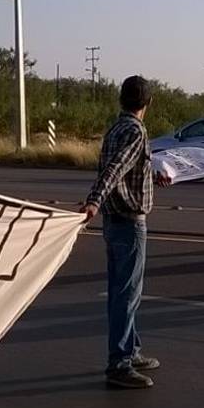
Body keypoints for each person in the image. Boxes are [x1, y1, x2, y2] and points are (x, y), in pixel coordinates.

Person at [82, 76, 171, 388]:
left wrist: (152, 175)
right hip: (128, 223)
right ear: (148, 103)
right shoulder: (136, 130)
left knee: (123, 293)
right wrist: (93, 201)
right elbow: (114, 170)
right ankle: (119, 363)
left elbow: (126, 169)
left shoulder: (117, 128)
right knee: (126, 294)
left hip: (114, 221)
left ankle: (130, 350)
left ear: (122, 100)